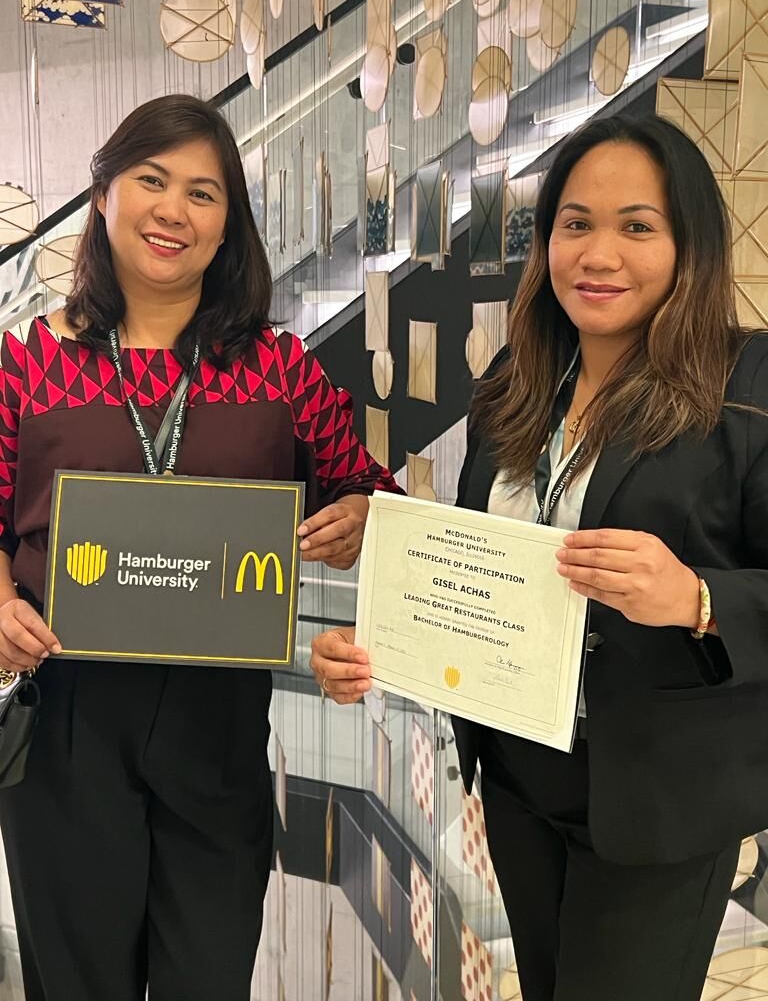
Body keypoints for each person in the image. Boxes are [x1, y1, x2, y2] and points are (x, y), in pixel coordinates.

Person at [310, 114, 768, 1000]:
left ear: (690, 244)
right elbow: (486, 573)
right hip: (520, 776)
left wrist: (699, 598)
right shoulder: (512, 389)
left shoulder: (746, 385)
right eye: (575, 224)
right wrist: (380, 641)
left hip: (658, 796)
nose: (599, 254)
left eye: (638, 226)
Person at [0, 93, 399, 1001]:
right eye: (151, 180)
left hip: (219, 725)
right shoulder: (29, 365)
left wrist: (364, 520)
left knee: (208, 979)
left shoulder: (278, 369)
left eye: (204, 192)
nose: (172, 210)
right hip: (64, 717)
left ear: (229, 229)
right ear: (103, 196)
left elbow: (374, 497)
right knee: (77, 984)